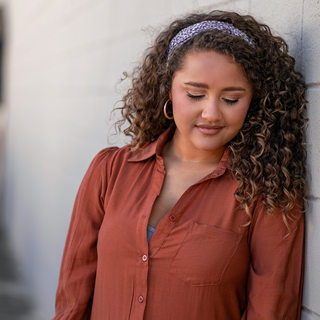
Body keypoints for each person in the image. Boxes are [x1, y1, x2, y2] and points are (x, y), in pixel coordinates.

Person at [52, 10, 307, 320]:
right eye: (195, 94)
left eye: (231, 99)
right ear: (168, 90)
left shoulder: (267, 192)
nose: (212, 113)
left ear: (253, 101)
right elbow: (73, 298)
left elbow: (272, 311)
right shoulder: (110, 170)